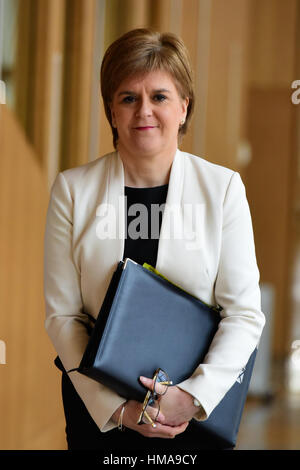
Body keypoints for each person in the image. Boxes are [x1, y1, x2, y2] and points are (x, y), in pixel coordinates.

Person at [44, 28, 265, 451]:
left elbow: (244, 313)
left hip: (194, 412)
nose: (144, 110)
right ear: (111, 110)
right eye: (128, 97)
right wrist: (119, 411)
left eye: (159, 97)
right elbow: (63, 316)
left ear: (183, 107)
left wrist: (191, 397)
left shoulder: (222, 190)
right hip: (100, 414)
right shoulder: (72, 190)